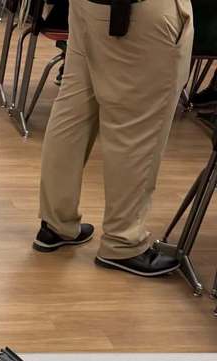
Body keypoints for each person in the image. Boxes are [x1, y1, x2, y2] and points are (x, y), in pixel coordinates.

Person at [34, 0, 194, 277]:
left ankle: (56, 223)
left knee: (74, 110)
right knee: (137, 128)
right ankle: (123, 242)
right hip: (138, 10)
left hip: (89, 5)